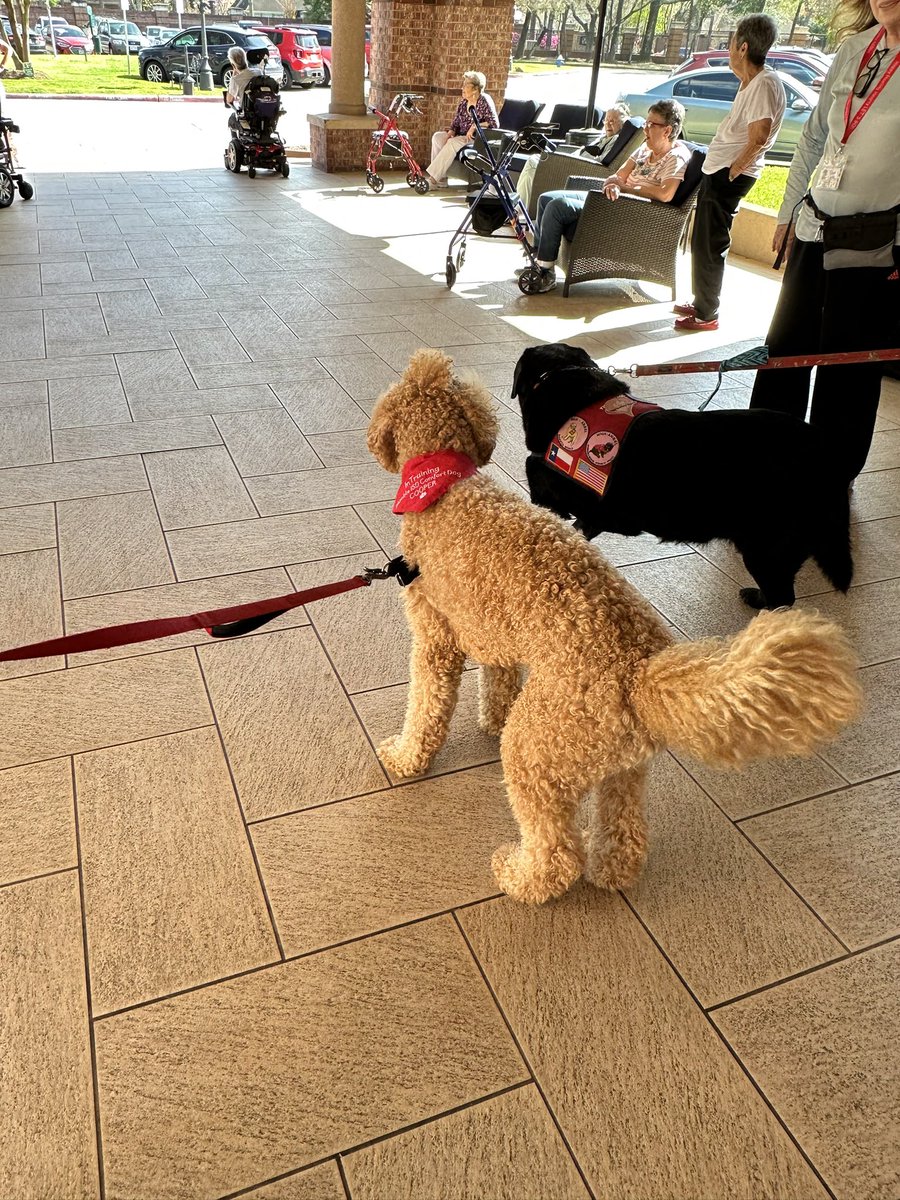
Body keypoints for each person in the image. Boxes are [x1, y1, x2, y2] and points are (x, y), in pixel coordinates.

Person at [748, 0, 900, 483]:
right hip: (814, 226)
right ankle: (767, 456)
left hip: (876, 244)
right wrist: (789, 211)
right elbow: (814, 139)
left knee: (847, 368)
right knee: (783, 353)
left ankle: (830, 476)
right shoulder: (856, 48)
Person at [674, 14, 786, 331]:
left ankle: (707, 314)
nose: (728, 48)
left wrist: (735, 167)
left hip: (729, 174)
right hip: (721, 169)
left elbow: (760, 135)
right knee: (703, 240)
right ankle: (701, 302)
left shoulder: (764, 83)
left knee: (711, 243)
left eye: (731, 42)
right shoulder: (752, 81)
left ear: (744, 46)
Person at [520, 99, 691, 293]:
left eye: (651, 125)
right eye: (646, 123)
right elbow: (619, 175)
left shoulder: (676, 157)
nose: (645, 129)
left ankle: (545, 272)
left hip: (629, 212)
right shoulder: (645, 148)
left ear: (667, 131)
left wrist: (624, 189)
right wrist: (613, 183)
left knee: (557, 207)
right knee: (546, 198)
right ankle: (539, 262)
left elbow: (665, 194)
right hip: (613, 200)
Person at [516, 102, 631, 212]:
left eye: (613, 121)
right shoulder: (604, 137)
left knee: (533, 163)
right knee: (534, 161)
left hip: (579, 169)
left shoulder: (615, 139)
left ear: (623, 122)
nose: (608, 124)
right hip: (574, 162)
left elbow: (599, 162)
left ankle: (519, 209)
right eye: (606, 120)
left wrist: (577, 155)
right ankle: (521, 208)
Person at [426, 71, 498, 187]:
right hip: (461, 136)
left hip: (475, 139)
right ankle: (442, 179)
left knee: (452, 142)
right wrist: (451, 131)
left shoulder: (484, 101)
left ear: (475, 89)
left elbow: (494, 123)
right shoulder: (464, 102)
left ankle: (433, 179)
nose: (462, 87)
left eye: (465, 85)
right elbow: (456, 121)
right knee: (438, 138)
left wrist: (475, 126)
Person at [226, 45, 263, 110]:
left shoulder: (235, 80)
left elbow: (229, 100)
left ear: (233, 65)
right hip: (262, 108)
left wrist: (233, 74)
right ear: (245, 59)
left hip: (248, 112)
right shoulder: (259, 72)